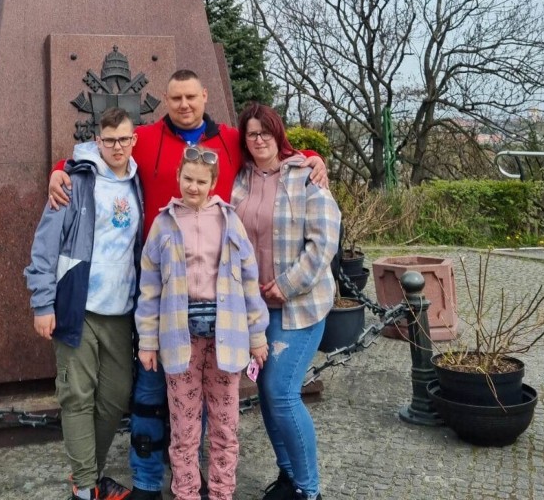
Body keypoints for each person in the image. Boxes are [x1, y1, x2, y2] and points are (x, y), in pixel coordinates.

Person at [49, 70, 329, 500]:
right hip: (159, 286)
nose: (183, 105)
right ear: (166, 98)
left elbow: (270, 148)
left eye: (190, 97)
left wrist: (311, 155)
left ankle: (212, 485)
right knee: (149, 392)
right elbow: (101, 147)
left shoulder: (231, 139)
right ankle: (147, 480)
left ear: (204, 97)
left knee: (216, 411)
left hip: (218, 309)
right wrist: (59, 171)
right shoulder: (144, 135)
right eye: (175, 97)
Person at [135, 147, 269, 500]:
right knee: (184, 427)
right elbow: (148, 288)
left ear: (213, 183)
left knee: (225, 425)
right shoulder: (164, 224)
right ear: (178, 176)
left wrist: (257, 335)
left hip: (227, 334)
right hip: (180, 338)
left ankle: (223, 493)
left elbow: (249, 281)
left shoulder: (229, 221)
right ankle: (186, 493)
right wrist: (147, 341)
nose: (193, 187)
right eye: (188, 179)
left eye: (201, 181)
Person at [25, 107, 142, 500]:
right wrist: (42, 304)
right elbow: (45, 246)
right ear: (98, 141)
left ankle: (86, 477)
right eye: (109, 140)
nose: (116, 147)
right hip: (78, 307)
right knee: (77, 396)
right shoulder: (75, 182)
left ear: (133, 139)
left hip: (121, 310)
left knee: (114, 396)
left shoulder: (138, 182)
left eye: (124, 139)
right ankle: (87, 487)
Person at [232, 104, 341, 500]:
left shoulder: (304, 175)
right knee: (266, 396)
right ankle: (289, 475)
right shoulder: (240, 179)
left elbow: (324, 240)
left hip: (299, 306)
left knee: (281, 391)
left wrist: (288, 284)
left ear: (278, 134)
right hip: (257, 310)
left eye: (266, 132)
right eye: (251, 134)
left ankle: (309, 490)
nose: (259, 139)